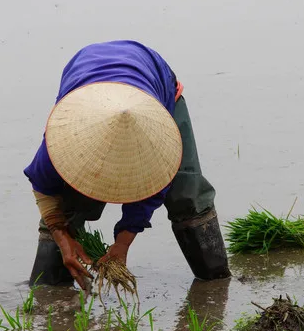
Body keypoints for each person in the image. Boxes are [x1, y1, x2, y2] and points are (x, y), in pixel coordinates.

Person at [24, 40, 230, 289]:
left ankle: (216, 283)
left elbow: (154, 191)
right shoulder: (62, 140)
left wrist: (122, 244)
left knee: (186, 193)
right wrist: (62, 237)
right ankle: (50, 289)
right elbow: (43, 186)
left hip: (153, 79)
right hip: (87, 83)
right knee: (67, 201)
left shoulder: (156, 144)